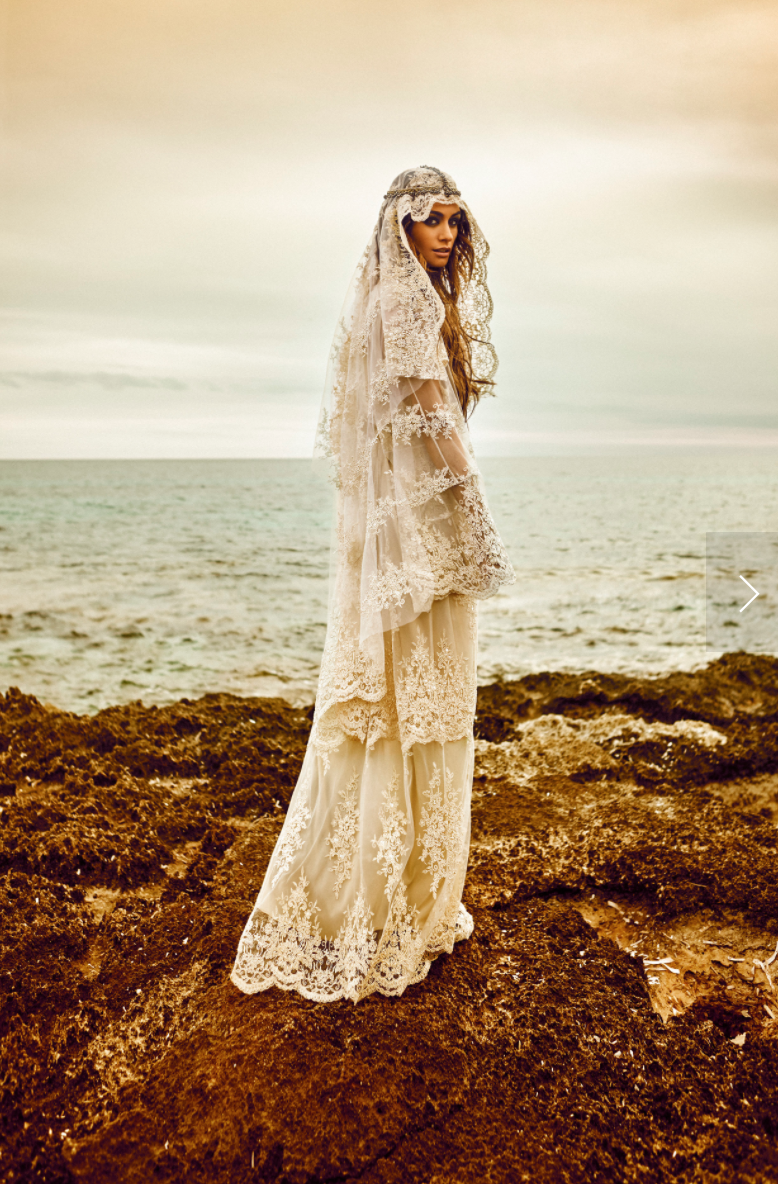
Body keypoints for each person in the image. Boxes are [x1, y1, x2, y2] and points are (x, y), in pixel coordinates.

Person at [230, 166, 514, 1003]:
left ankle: (387, 905)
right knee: (411, 704)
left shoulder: (400, 302)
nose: (447, 234)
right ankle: (391, 912)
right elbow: (429, 409)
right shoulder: (405, 303)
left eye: (456, 222)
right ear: (399, 225)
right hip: (422, 532)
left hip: (397, 537)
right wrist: (474, 497)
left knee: (395, 705)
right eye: (433, 220)